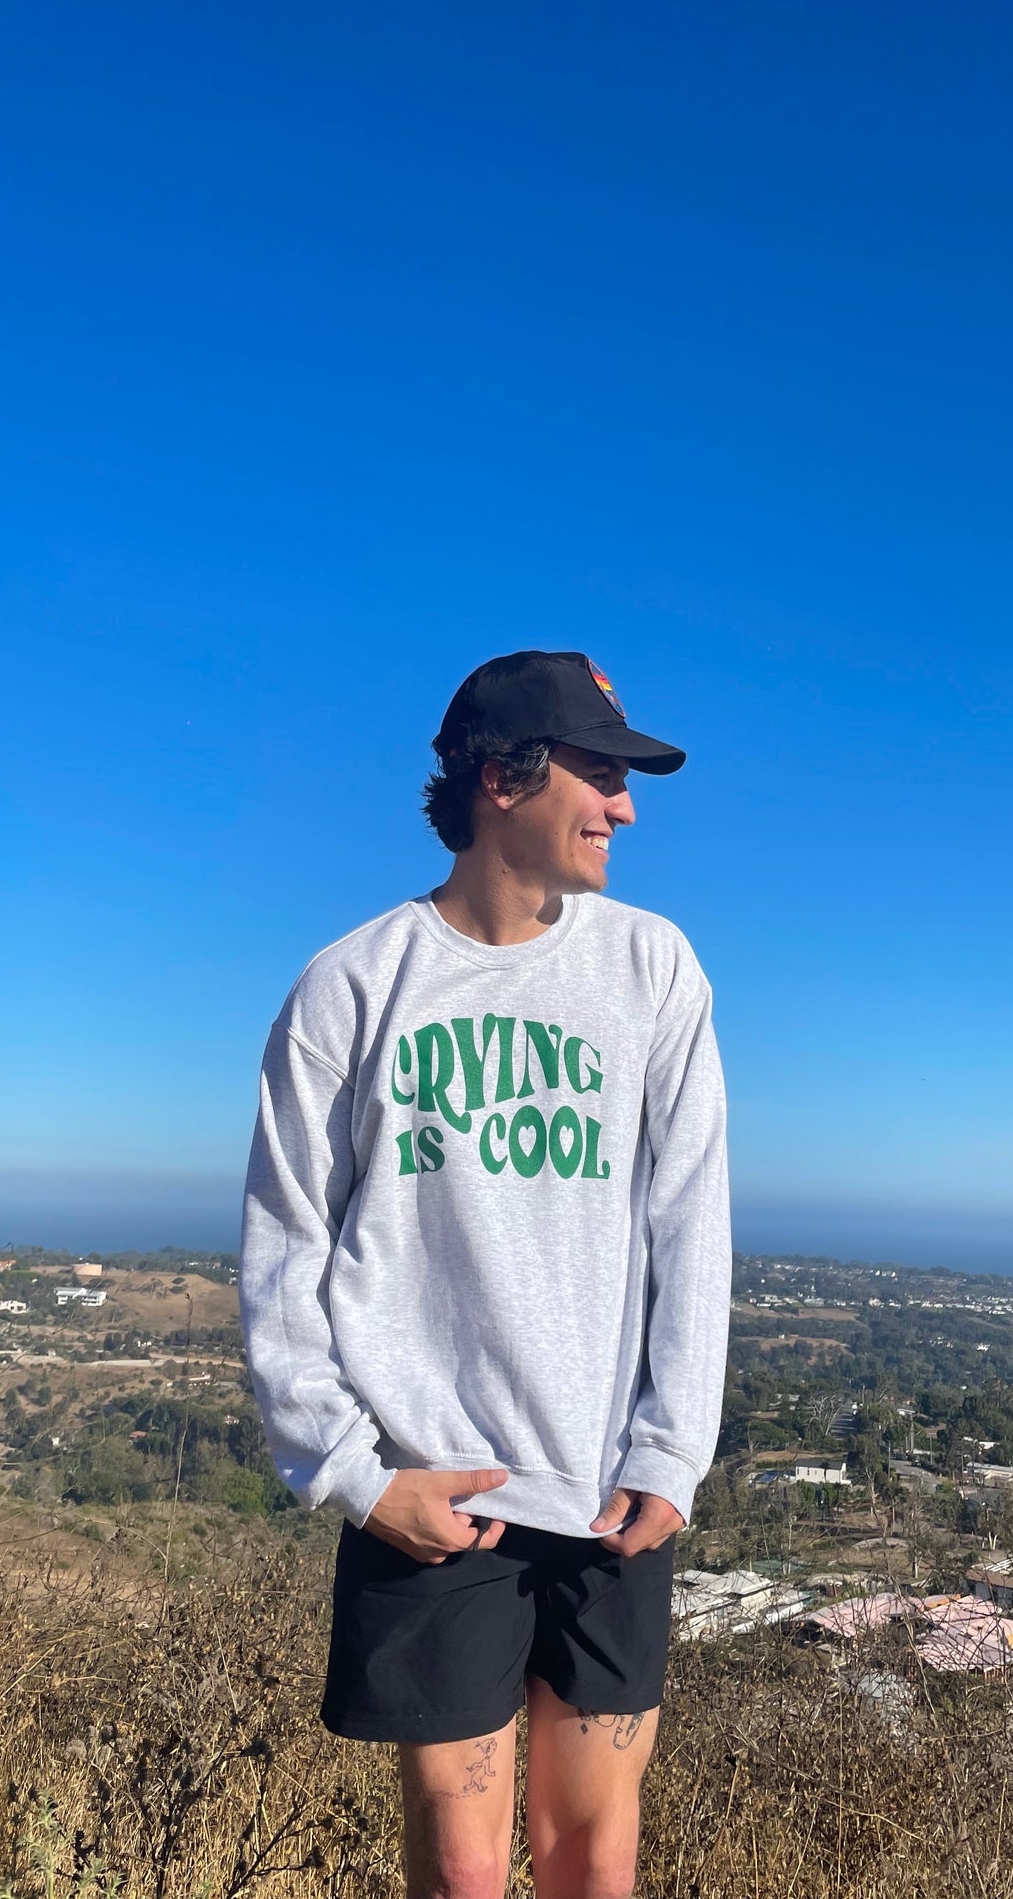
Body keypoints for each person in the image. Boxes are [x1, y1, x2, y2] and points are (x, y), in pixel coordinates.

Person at [239, 649, 731, 1899]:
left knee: (591, 1858)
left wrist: (672, 1452)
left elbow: (689, 1219)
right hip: (437, 1494)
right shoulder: (352, 987)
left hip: (609, 1492)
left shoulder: (652, 967)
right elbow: (285, 1246)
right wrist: (356, 1476)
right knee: (462, 1872)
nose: (625, 808)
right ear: (502, 776)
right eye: (602, 773)